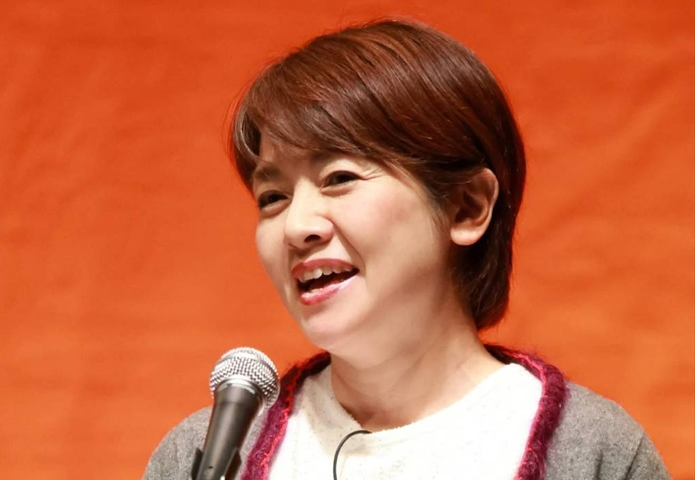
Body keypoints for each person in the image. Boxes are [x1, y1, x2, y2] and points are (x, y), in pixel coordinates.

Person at [143, 19, 671, 480]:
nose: (296, 227)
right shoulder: (204, 456)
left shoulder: (596, 453)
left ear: (466, 207)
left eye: (339, 178)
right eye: (273, 197)